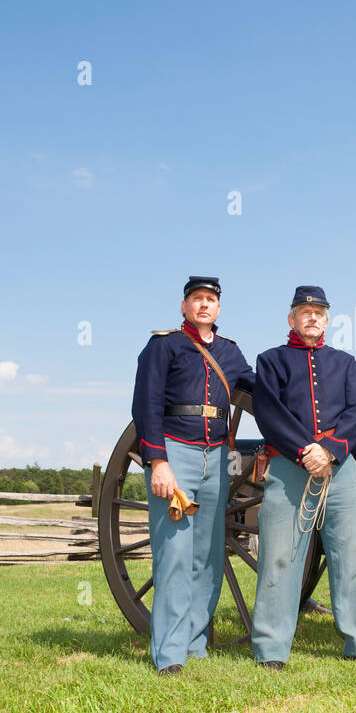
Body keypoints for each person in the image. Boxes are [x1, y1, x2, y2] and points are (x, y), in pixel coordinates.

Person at [131, 275, 255, 675]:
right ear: (184, 306)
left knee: (207, 556)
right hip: (177, 454)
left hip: (216, 459)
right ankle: (168, 653)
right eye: (196, 299)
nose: (204, 305)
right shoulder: (163, 346)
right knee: (175, 555)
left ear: (218, 309)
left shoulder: (232, 354)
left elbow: (261, 389)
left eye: (210, 300)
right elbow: (146, 405)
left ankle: (196, 644)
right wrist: (158, 461)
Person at [249, 286, 356, 668]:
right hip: (291, 468)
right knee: (278, 558)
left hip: (340, 469)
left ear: (327, 319)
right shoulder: (271, 361)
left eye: (319, 312)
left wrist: (331, 450)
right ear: (291, 319)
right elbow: (269, 413)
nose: (312, 317)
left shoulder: (345, 362)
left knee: (350, 556)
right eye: (304, 311)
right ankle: (271, 648)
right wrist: (307, 451)